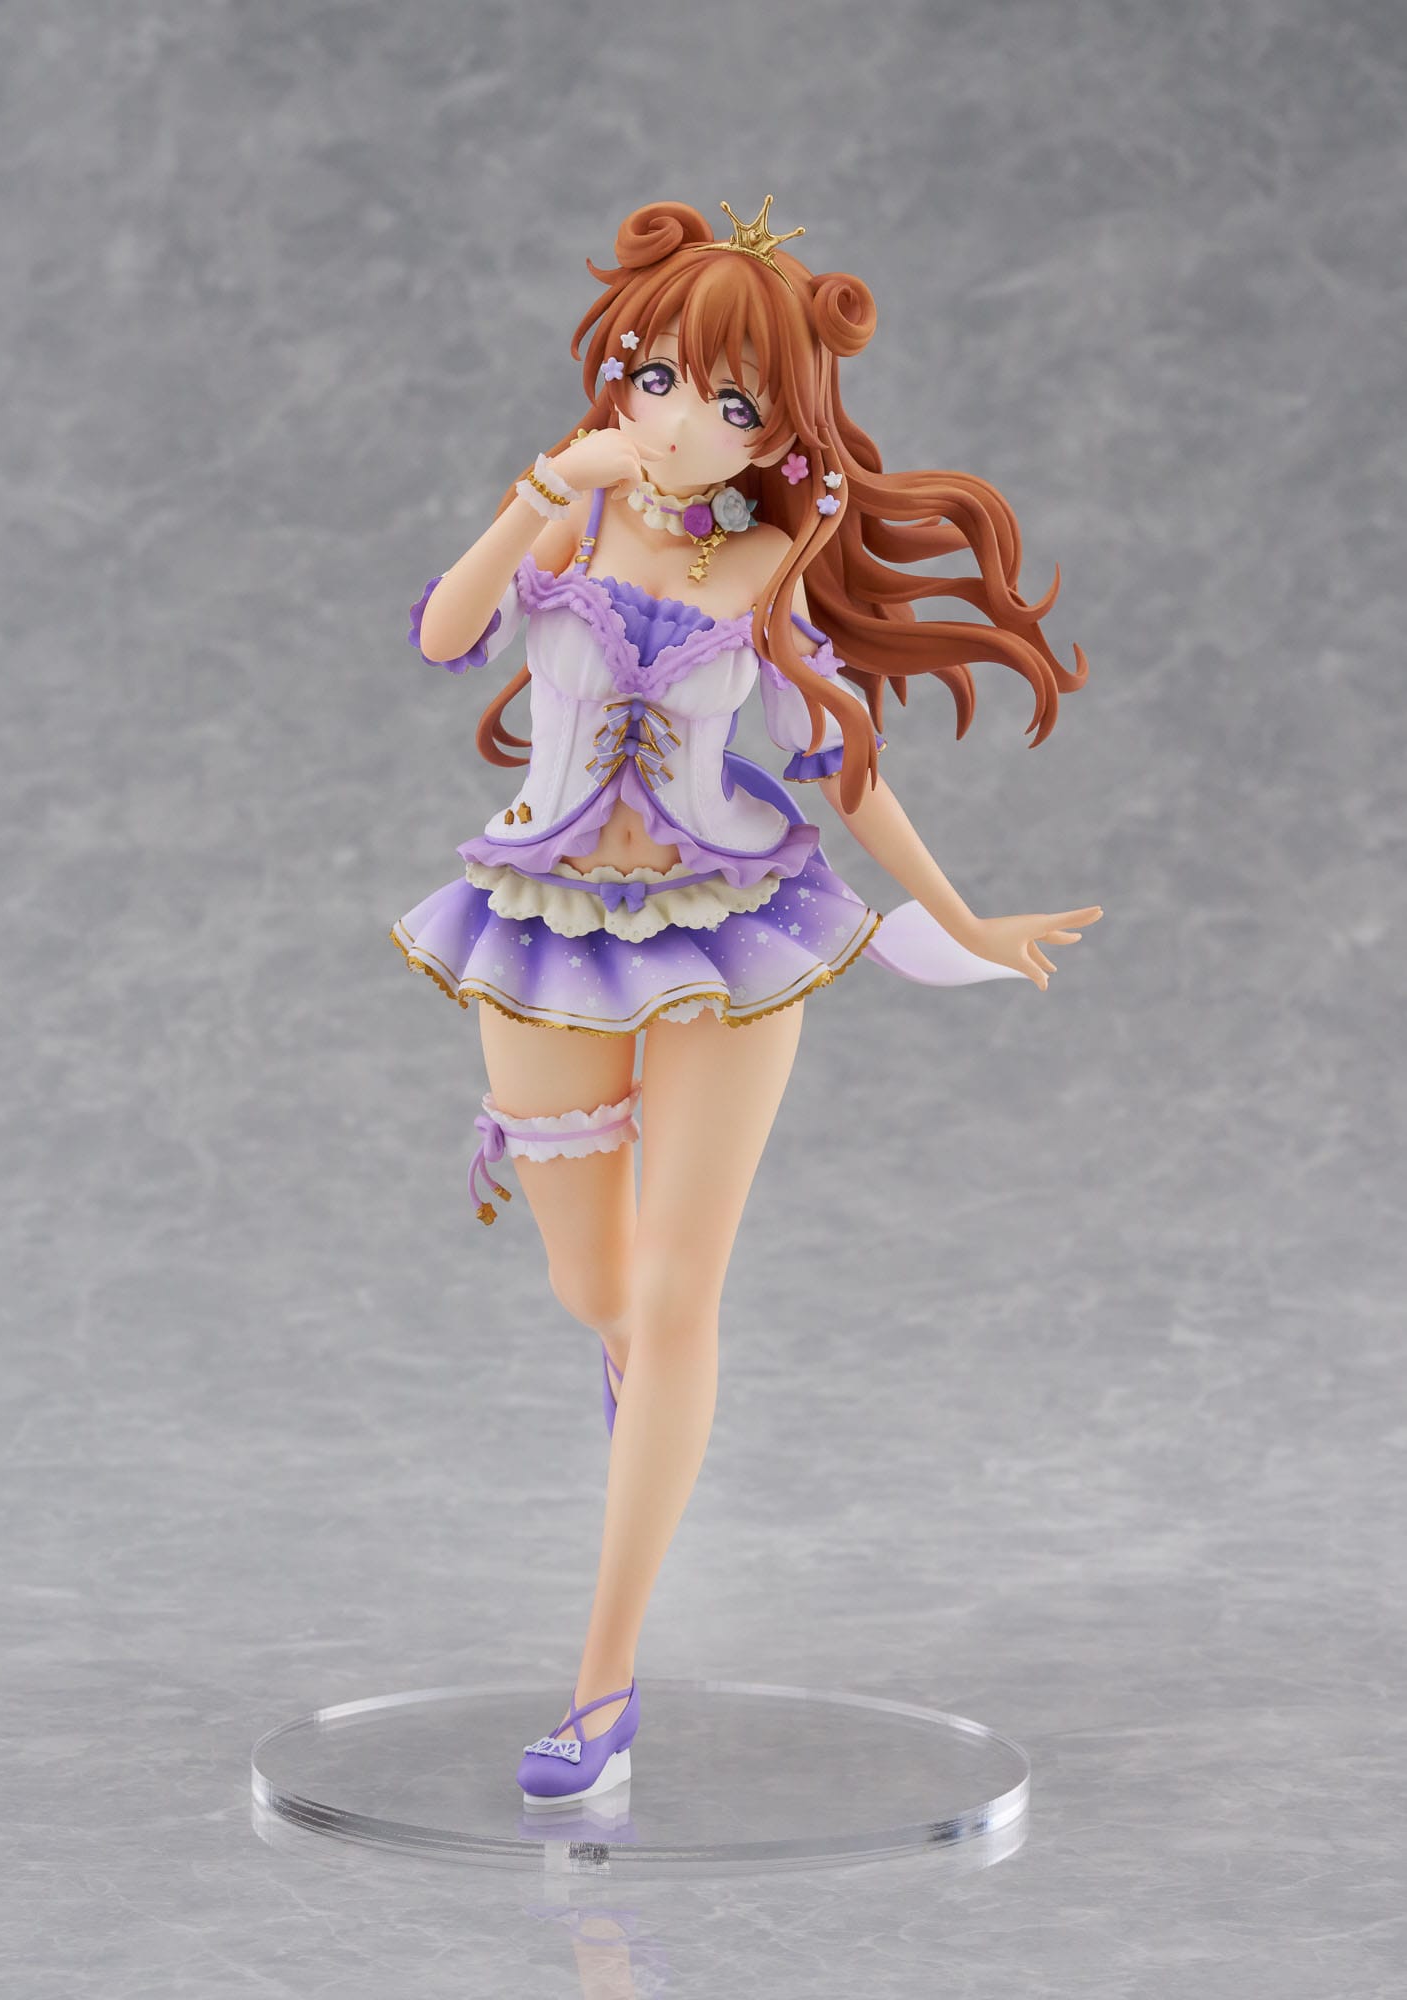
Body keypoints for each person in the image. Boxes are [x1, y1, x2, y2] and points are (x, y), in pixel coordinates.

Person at [389, 196, 1104, 1806]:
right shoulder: (568, 516)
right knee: (596, 1291)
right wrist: (539, 489)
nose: (679, 422)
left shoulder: (770, 560)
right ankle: (639, 1366)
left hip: (730, 934)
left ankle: (600, 1689)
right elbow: (443, 636)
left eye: (728, 402)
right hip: (544, 928)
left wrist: (960, 918)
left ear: (775, 433)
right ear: (614, 379)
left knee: (677, 1298)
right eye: (655, 379)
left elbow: (844, 768)